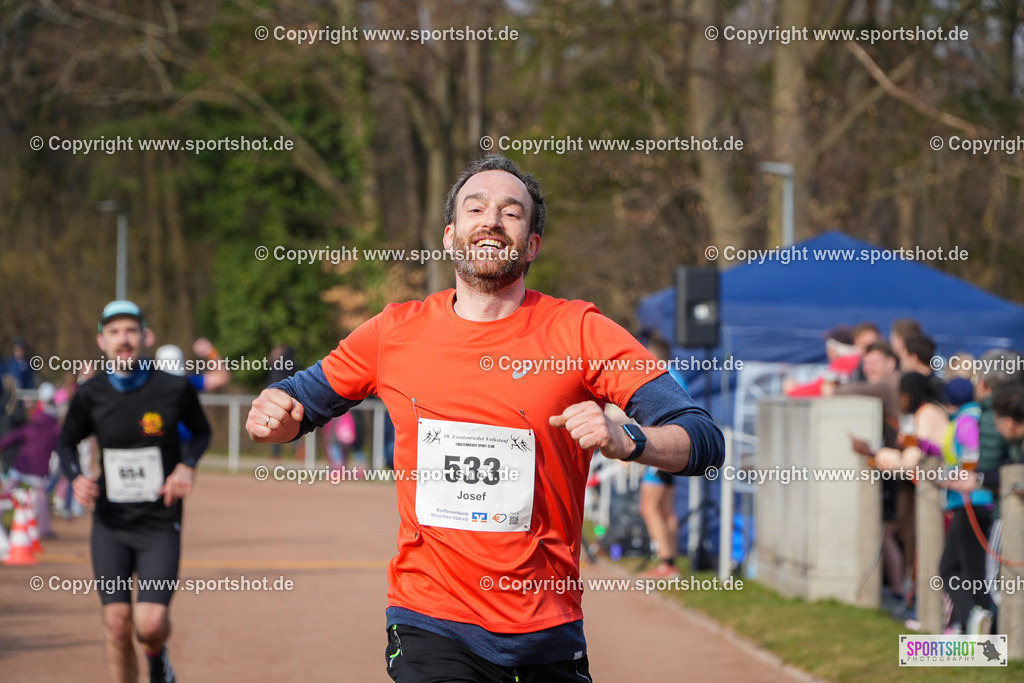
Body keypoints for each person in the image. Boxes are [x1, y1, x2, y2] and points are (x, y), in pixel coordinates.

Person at [246, 155, 724, 681]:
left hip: (547, 627)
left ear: (533, 245)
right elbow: (298, 403)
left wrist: (628, 437)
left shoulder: (580, 331)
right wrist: (275, 413)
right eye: (476, 208)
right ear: (451, 237)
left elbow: (702, 439)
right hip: (431, 619)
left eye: (511, 212)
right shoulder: (393, 333)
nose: (491, 219)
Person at [57, 301, 211, 683]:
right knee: (116, 622)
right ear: (101, 341)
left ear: (144, 336)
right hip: (111, 524)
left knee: (150, 623)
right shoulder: (90, 394)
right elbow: (65, 443)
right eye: (113, 333)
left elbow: (203, 431)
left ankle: (157, 655)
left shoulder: (172, 388)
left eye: (129, 330)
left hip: (159, 523)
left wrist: (186, 465)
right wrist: (76, 475)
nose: (122, 339)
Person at [934, 378, 996, 634]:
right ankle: (972, 621)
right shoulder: (970, 415)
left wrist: (953, 477)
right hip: (971, 502)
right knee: (959, 569)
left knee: (964, 571)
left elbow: (972, 455)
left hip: (971, 503)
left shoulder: (966, 419)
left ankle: (978, 622)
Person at [638, 334, 686, 578]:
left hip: (662, 449)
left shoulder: (661, 377)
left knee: (649, 507)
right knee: (666, 509)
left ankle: (667, 564)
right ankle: (671, 563)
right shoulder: (677, 376)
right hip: (676, 449)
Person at [0, 382, 62, 537]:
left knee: (8, 493)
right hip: (38, 468)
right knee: (41, 498)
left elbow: (15, 436)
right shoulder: (55, 428)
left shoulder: (32, 424)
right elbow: (62, 445)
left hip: (22, 464)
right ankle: (44, 529)